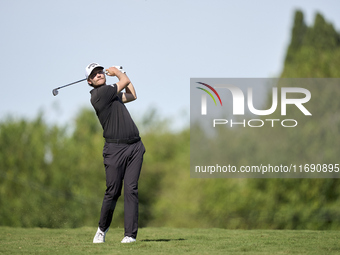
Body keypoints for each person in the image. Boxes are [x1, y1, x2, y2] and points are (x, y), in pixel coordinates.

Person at [85, 63, 145, 244]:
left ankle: (130, 235)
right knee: (113, 191)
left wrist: (123, 74)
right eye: (94, 75)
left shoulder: (112, 95)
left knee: (131, 189)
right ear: (89, 82)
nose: (99, 75)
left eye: (100, 72)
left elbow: (133, 95)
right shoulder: (99, 95)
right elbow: (124, 81)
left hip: (134, 146)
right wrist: (119, 73)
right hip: (114, 150)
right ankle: (102, 229)